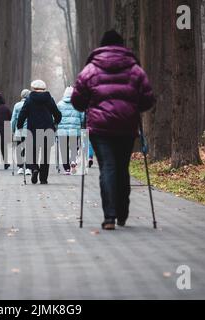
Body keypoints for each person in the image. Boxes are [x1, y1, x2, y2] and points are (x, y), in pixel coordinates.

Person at [71, 30, 155, 230]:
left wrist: (87, 105)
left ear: (101, 46)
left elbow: (77, 100)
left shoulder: (90, 70)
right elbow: (148, 99)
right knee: (122, 167)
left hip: (100, 128)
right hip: (126, 127)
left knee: (107, 167)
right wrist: (134, 108)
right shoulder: (135, 70)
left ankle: (109, 216)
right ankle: (123, 212)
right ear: (122, 45)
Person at [17, 80, 62, 185]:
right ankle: (43, 179)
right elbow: (58, 114)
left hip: (32, 130)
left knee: (32, 153)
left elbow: (22, 114)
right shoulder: (49, 100)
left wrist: (19, 126)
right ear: (44, 88)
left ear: (33, 88)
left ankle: (34, 168)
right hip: (48, 129)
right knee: (45, 155)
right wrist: (55, 123)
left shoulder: (29, 100)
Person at [57, 86, 84, 175]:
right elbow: (82, 117)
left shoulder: (60, 104)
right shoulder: (78, 104)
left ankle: (66, 169)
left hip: (62, 131)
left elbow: (56, 117)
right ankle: (73, 160)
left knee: (64, 149)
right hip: (74, 130)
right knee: (74, 147)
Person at [11, 89, 32, 176]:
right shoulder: (31, 104)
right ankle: (28, 168)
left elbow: (13, 119)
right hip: (29, 131)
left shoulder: (17, 105)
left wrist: (13, 130)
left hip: (19, 131)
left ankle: (20, 168)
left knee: (19, 148)